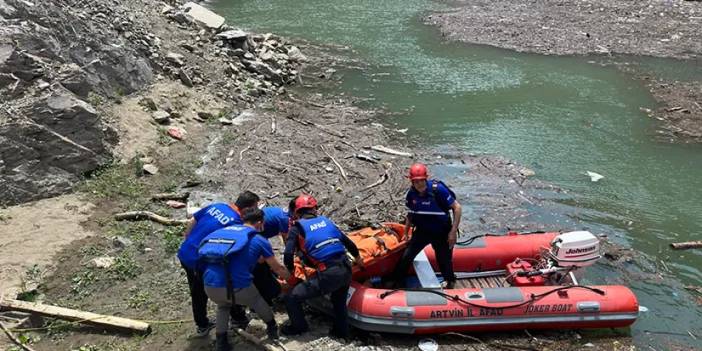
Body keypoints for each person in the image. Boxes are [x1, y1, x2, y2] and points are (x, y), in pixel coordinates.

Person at [199, 208, 291, 351]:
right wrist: (292, 279)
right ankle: (272, 329)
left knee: (223, 306)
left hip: (209, 284)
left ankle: (221, 343)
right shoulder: (259, 239)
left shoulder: (226, 231)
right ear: (260, 223)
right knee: (257, 301)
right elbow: (277, 268)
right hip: (237, 286)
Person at [176, 191, 260, 337]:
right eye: (254, 208)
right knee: (225, 285)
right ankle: (236, 319)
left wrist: (189, 239)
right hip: (198, 260)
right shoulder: (235, 222)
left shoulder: (217, 206)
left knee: (196, 290)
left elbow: (192, 221)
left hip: (185, 252)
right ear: (246, 209)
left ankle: (203, 324)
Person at [281, 194, 362, 338]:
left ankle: (299, 327)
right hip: (346, 268)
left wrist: (291, 272)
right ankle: (342, 333)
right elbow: (350, 244)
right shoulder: (327, 221)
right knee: (339, 302)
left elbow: (288, 254)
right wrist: (358, 260)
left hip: (328, 273)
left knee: (292, 297)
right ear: (314, 209)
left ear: (297, 212)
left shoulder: (296, 227)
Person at [388, 163, 462, 289]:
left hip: (441, 231)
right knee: (407, 256)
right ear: (412, 182)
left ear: (425, 179)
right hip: (423, 231)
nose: (419, 184)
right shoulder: (411, 195)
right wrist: (406, 232)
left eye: (421, 181)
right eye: (416, 182)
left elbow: (457, 208)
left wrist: (453, 232)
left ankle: (450, 281)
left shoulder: (438, 190)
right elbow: (410, 214)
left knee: (444, 259)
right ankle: (397, 281)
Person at [251, 205, 292, 305]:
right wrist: (291, 280)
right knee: (261, 268)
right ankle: (267, 296)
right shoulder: (285, 219)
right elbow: (288, 242)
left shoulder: (282, 213)